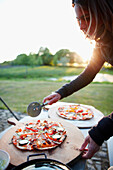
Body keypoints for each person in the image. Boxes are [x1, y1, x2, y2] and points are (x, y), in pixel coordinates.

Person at [43, 0, 113, 159]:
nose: (81, 26)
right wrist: (60, 93)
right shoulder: (101, 42)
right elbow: (89, 73)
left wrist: (100, 131)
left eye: (87, 17)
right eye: (78, 19)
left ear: (104, 12)